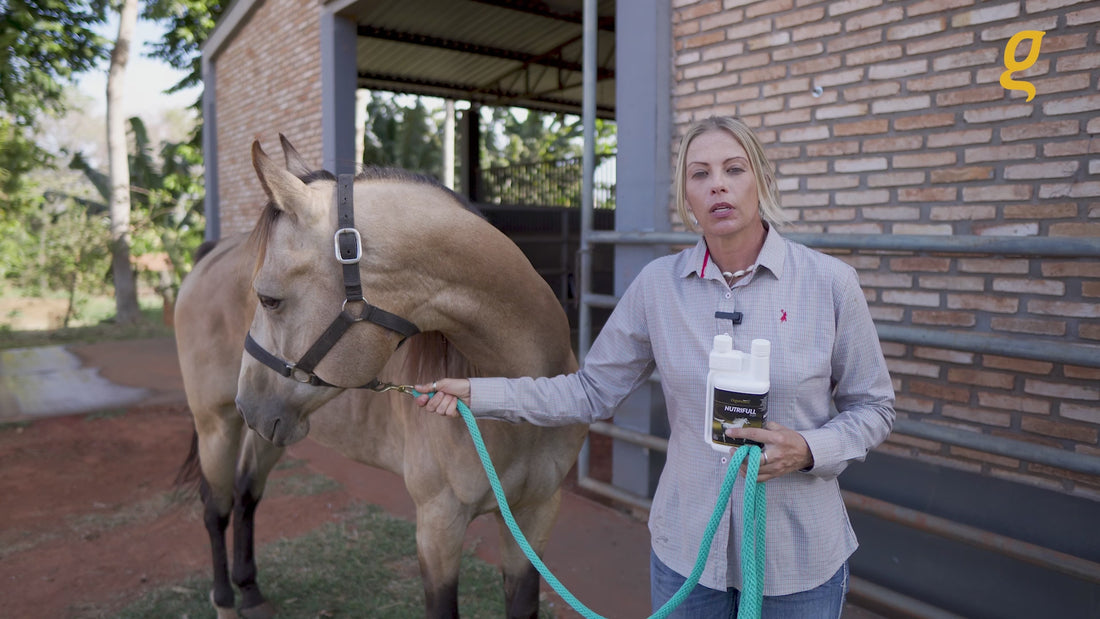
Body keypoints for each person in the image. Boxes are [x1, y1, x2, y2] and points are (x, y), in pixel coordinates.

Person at [415, 116, 895, 618]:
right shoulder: (658, 287)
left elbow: (875, 407)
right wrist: (480, 393)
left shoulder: (830, 283)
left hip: (797, 561)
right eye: (700, 174)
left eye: (734, 169)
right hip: (688, 554)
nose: (718, 186)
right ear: (686, 198)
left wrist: (809, 449)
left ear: (762, 181)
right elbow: (590, 392)